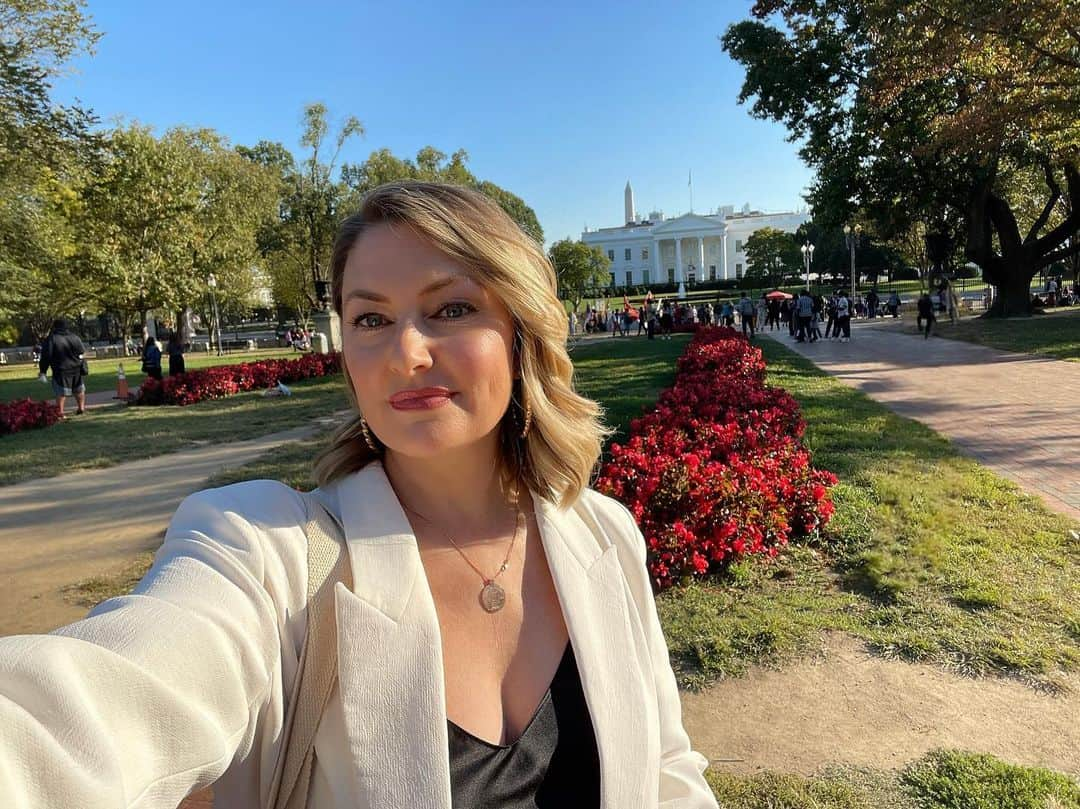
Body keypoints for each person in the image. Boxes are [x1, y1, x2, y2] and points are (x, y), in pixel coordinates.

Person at [0, 183, 718, 808]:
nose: (407, 352)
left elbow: (663, 769)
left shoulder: (604, 535)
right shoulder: (269, 552)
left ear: (521, 333)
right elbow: (87, 713)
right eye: (371, 319)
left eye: (452, 308)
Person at [37, 317, 87, 418]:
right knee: (79, 389)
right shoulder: (74, 337)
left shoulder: (52, 339)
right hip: (76, 368)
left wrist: (43, 371)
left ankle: (60, 412)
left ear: (54, 327)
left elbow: (46, 356)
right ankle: (81, 408)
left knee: (61, 392)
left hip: (61, 369)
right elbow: (81, 351)